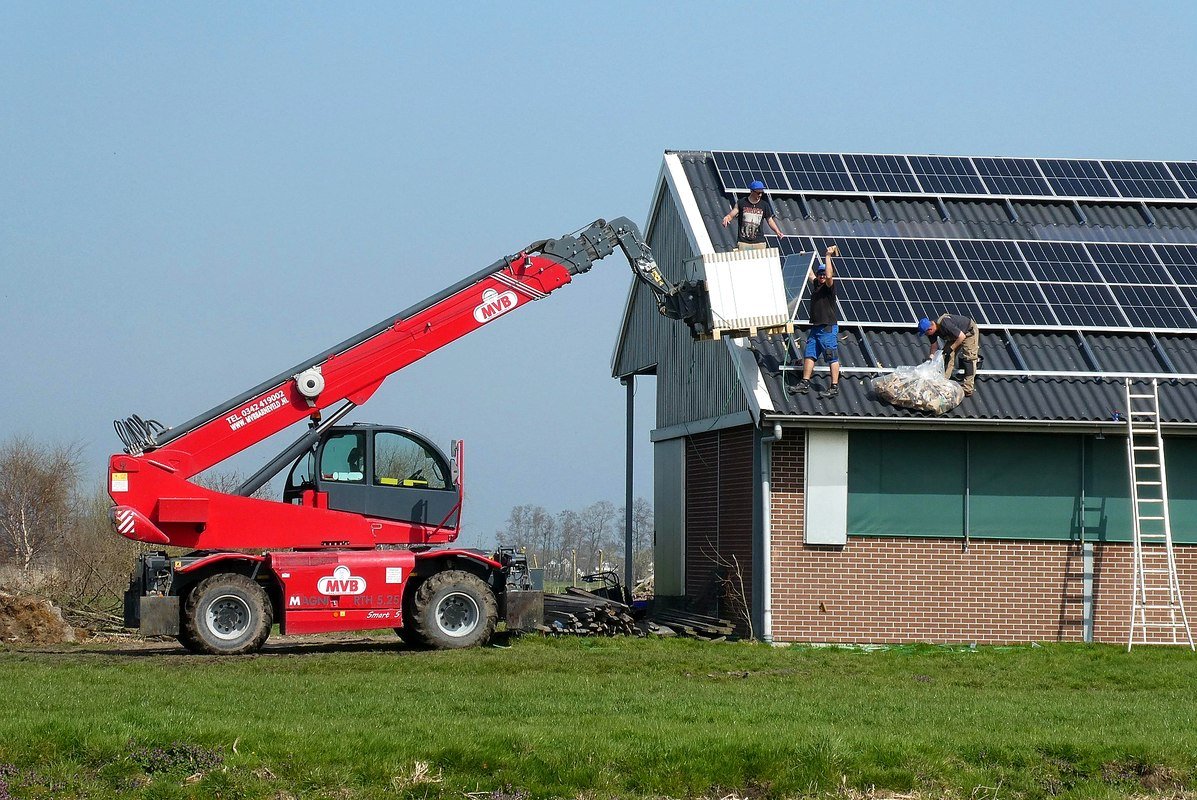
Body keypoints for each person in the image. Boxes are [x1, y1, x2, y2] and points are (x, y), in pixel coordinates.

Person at [790, 245, 840, 398]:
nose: (822, 276)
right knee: (809, 354)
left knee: (831, 355)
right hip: (816, 328)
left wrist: (828, 256)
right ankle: (805, 383)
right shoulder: (817, 285)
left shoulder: (829, 287)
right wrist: (805, 259)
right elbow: (810, 274)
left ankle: (834, 386)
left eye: (824, 274)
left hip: (827, 328)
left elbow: (830, 276)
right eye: (820, 274)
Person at [918, 314, 980, 397]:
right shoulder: (931, 332)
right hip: (955, 335)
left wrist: (952, 348)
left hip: (968, 332)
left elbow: (962, 336)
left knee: (969, 359)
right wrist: (931, 358)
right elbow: (934, 346)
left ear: (930, 328)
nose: (926, 335)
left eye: (926, 333)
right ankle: (943, 381)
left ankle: (968, 388)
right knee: (945, 355)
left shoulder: (945, 324)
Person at [721, 180, 785, 250]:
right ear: (751, 191)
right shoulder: (741, 203)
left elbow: (770, 220)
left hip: (759, 242)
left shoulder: (764, 205)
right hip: (743, 242)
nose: (760, 195)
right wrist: (727, 218)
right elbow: (731, 215)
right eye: (758, 193)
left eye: (761, 192)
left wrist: (777, 231)